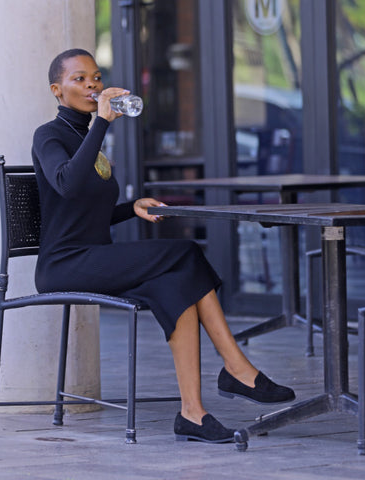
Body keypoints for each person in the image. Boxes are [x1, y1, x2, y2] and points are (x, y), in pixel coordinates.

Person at [32, 48, 295, 444]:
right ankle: (236, 367)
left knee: (175, 286)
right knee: (185, 252)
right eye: (79, 79)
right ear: (57, 90)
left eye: (96, 77)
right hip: (64, 264)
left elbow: (86, 213)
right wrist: (102, 123)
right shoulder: (49, 136)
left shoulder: (86, 136)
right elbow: (67, 185)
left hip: (95, 257)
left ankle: (193, 412)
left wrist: (129, 209)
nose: (92, 85)